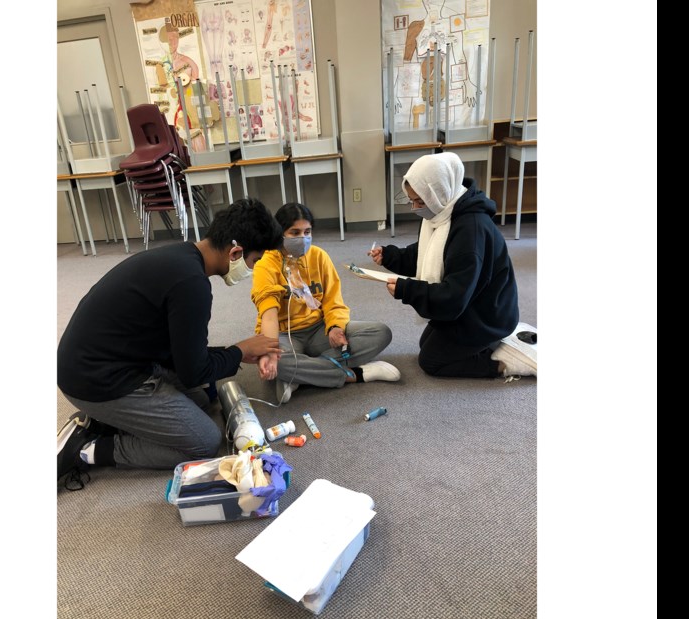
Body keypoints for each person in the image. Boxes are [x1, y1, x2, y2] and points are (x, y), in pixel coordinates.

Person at [57, 199, 283, 485]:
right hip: (96, 380)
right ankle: (87, 450)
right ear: (235, 252)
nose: (251, 270)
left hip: (95, 361)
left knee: (201, 398)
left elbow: (183, 354)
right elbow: (193, 371)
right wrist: (239, 351)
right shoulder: (192, 286)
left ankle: (102, 423)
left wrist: (235, 354)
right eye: (253, 262)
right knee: (203, 441)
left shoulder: (183, 257)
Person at [369, 152, 535, 379]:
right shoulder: (446, 212)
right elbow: (425, 253)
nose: (414, 208)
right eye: (412, 200)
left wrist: (407, 289)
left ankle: (504, 363)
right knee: (426, 342)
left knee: (431, 361)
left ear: (439, 193)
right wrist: (390, 256)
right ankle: (491, 345)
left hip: (488, 315)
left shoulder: (470, 229)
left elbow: (454, 295)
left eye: (419, 201)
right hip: (472, 304)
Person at [252, 203, 400, 404]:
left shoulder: (319, 256)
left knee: (381, 333)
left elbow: (333, 300)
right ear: (279, 233)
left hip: (318, 329)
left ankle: (300, 374)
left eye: (307, 232)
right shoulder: (265, 264)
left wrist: (335, 327)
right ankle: (355, 374)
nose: (302, 238)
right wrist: (269, 352)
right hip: (284, 333)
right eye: (294, 232)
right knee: (278, 361)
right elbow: (268, 315)